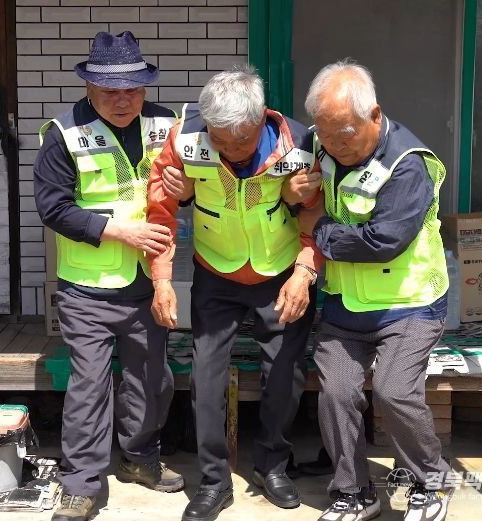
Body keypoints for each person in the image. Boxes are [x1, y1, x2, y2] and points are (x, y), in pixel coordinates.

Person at [147, 66, 319, 521]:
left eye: (240, 141)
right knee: (206, 376)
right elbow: (160, 212)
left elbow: (318, 214)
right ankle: (213, 481)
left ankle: (272, 466)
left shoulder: (299, 144)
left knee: (285, 373)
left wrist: (305, 270)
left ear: (261, 117)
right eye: (219, 140)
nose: (229, 150)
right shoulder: (185, 138)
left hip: (279, 271)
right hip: (216, 270)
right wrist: (162, 279)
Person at [291, 59, 453, 521]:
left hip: (410, 303)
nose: (335, 145)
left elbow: (383, 242)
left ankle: (431, 483)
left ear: (374, 115)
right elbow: (297, 197)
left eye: (345, 134)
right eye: (326, 135)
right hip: (347, 305)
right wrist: (292, 194)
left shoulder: (407, 165)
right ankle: (354, 492)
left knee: (394, 390)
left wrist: (319, 228)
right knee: (336, 393)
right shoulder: (318, 143)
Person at [34, 31, 184, 521]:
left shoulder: (168, 123)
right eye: (110, 92)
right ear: (89, 88)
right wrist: (119, 231)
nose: (123, 101)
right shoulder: (63, 134)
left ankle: (139, 459)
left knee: (152, 379)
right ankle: (81, 484)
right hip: (87, 288)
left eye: (132, 90)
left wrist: (187, 188)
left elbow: (192, 194)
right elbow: (53, 208)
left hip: (147, 282)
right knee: (90, 387)